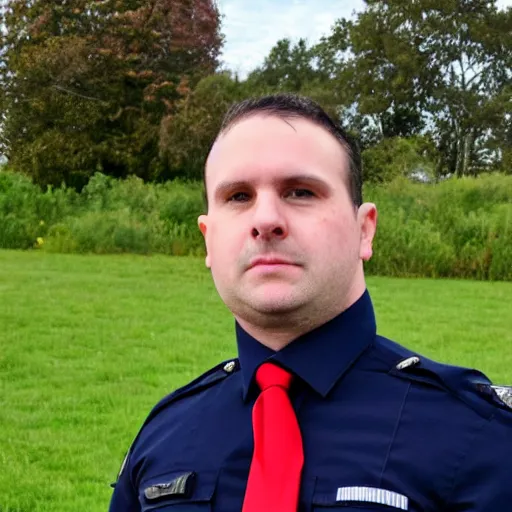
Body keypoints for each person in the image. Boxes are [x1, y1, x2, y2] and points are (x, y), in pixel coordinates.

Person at [109, 94, 512, 512]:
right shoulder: (164, 438)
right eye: (238, 196)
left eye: (300, 191)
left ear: (364, 230)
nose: (265, 220)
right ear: (208, 238)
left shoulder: (479, 438)